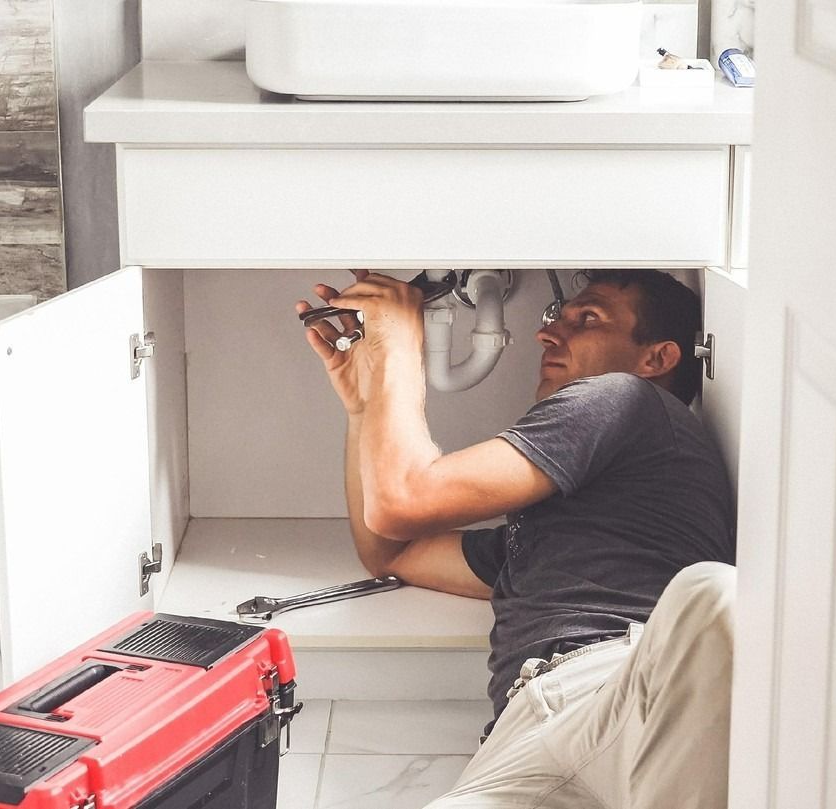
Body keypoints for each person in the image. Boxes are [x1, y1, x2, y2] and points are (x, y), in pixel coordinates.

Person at [296, 269, 737, 809]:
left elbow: (401, 502)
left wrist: (398, 346)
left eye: (589, 317)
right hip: (522, 732)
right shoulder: (539, 543)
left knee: (716, 595)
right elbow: (391, 549)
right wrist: (364, 407)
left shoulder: (625, 398)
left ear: (657, 359)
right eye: (560, 315)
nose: (547, 333)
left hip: (625, 691)